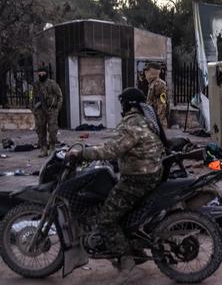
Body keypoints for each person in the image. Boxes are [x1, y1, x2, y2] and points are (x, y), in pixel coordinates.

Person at [67, 87, 166, 269]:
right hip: (151, 172)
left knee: (106, 220)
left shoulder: (130, 124)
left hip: (139, 177)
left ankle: (126, 258)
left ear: (128, 104)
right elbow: (116, 144)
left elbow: (112, 150)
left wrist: (83, 153)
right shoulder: (144, 120)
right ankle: (135, 250)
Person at [31, 66, 63, 157]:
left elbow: (60, 96)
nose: (41, 75)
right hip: (40, 111)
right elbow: (31, 97)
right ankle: (43, 149)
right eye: (39, 73)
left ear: (46, 73)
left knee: (52, 130)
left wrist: (57, 108)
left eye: (43, 73)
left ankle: (52, 147)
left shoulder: (52, 84)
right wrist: (33, 108)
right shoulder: (36, 85)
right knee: (40, 130)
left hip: (51, 109)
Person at [145, 63, 169, 127]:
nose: (145, 73)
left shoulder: (160, 84)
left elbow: (163, 103)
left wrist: (159, 121)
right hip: (152, 118)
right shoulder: (152, 83)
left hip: (157, 120)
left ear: (152, 72)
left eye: (147, 71)